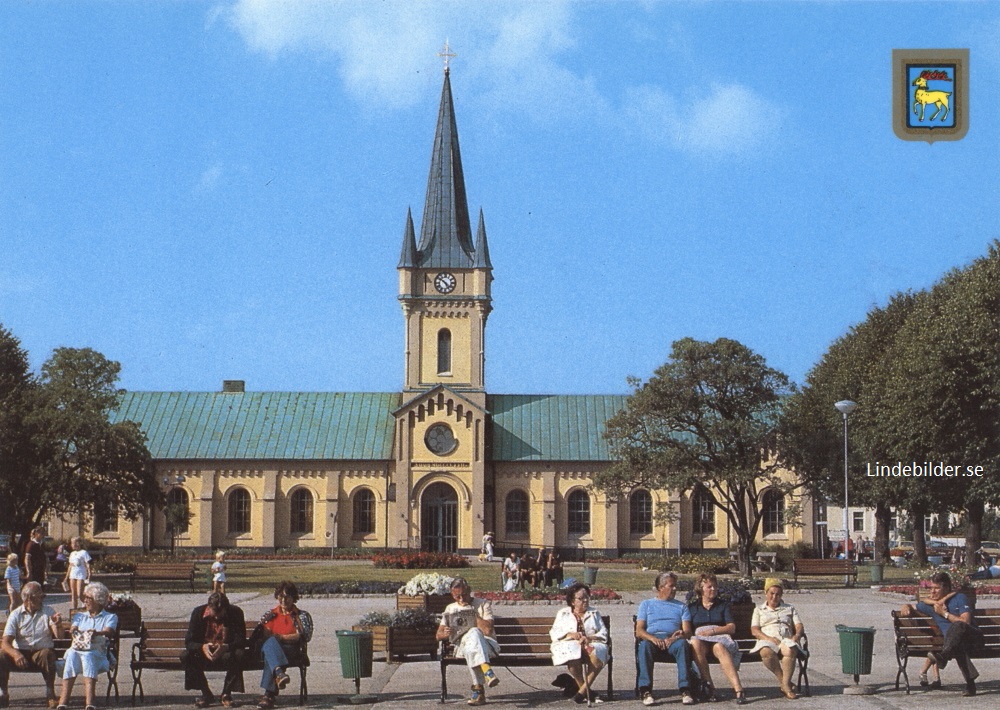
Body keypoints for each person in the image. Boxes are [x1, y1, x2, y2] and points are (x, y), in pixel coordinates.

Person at [899, 571, 982, 696]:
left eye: (936, 588)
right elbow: (918, 604)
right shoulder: (931, 606)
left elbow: (966, 621)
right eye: (931, 588)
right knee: (957, 644)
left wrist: (944, 614)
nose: (932, 592)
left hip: (973, 639)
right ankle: (970, 685)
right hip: (955, 643)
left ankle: (944, 656)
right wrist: (906, 606)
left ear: (947, 588)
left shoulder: (960, 598)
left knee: (958, 626)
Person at [635, 571, 696, 706]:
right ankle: (645, 690)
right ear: (661, 587)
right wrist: (652, 639)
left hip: (673, 640)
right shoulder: (646, 604)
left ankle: (685, 689)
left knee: (683, 646)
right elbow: (639, 631)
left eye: (675, 586)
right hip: (653, 639)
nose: (675, 588)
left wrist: (675, 638)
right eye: (671, 586)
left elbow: (687, 631)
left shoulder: (681, 606)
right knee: (644, 646)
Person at [436, 577, 500, 706]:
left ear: (469, 590)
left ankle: (478, 690)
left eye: (464, 595)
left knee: (474, 633)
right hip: (462, 647)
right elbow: (438, 635)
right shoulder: (450, 608)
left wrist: (472, 614)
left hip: (488, 646)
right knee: (471, 642)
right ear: (452, 594)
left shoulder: (483, 604)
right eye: (457, 596)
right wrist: (446, 633)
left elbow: (487, 631)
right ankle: (486, 669)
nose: (461, 599)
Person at [0, 581, 64, 708]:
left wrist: (58, 625)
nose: (43, 598)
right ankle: (3, 693)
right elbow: (5, 643)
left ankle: (50, 695)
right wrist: (16, 654)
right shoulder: (16, 614)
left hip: (41, 653)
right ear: (30, 598)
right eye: (40, 596)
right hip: (20, 654)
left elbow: (60, 637)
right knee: (1, 656)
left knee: (48, 654)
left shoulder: (48, 611)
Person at [251, 581, 313, 709]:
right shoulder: (270, 614)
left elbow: (303, 636)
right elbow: (265, 635)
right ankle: (278, 676)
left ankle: (269, 695)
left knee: (272, 652)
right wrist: (277, 639)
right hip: (271, 648)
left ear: (293, 598)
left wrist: (281, 638)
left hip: (291, 650)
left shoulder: (301, 616)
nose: (283, 600)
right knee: (271, 644)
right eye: (280, 596)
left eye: (287, 597)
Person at [55, 581, 117, 710]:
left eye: (88, 598)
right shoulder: (80, 616)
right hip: (78, 649)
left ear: (98, 600)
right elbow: (73, 627)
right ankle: (63, 701)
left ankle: (90, 702)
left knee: (88, 656)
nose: (85, 601)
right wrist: (72, 629)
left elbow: (109, 632)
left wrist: (97, 633)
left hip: (97, 653)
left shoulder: (110, 617)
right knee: (72, 654)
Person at [180, 591, 247, 708]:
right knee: (186, 655)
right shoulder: (198, 613)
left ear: (226, 609)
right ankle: (206, 693)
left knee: (239, 654)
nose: (217, 617)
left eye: (220, 613)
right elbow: (189, 642)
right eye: (214, 612)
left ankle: (226, 693)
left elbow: (241, 640)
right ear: (209, 607)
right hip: (204, 653)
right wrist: (202, 647)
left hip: (226, 653)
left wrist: (226, 647)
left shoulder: (235, 612)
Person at [688, 572, 745, 704]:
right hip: (701, 643)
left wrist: (713, 631)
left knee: (719, 647)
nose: (713, 589)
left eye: (715, 586)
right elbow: (688, 630)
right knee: (695, 643)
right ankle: (710, 688)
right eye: (709, 587)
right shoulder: (693, 608)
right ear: (701, 589)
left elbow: (731, 627)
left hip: (718, 640)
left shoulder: (722, 605)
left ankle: (738, 689)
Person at [549, 582, 608, 704]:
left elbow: (603, 633)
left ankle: (581, 693)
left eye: (587, 597)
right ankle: (587, 692)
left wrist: (590, 638)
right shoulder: (563, 613)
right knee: (573, 656)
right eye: (581, 598)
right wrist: (570, 635)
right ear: (572, 601)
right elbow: (554, 632)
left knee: (597, 655)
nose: (585, 600)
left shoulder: (594, 613)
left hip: (592, 644)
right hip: (570, 645)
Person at [750, 578, 804, 700]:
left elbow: (799, 625)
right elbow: (755, 630)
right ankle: (785, 683)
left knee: (790, 650)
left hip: (785, 638)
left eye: (778, 594)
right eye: (772, 593)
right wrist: (768, 638)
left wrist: (797, 635)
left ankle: (785, 685)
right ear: (766, 593)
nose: (774, 597)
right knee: (766, 652)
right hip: (767, 639)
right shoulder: (759, 610)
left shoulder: (789, 608)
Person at [64, 538, 92, 610]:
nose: (72, 545)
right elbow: (70, 566)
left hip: (81, 574)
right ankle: (74, 611)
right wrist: (66, 577)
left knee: (80, 593)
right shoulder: (72, 554)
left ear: (78, 543)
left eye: (73, 543)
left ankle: (88, 606)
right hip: (73, 574)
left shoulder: (84, 552)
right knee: (73, 594)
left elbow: (87, 564)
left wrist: (89, 573)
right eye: (71, 543)